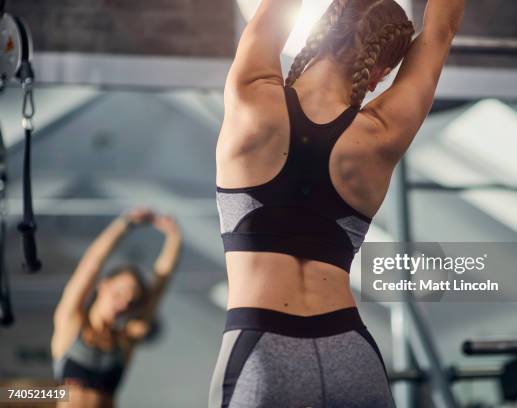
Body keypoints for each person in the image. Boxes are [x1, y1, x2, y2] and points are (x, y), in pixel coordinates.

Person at [211, 0, 464, 406]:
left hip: (263, 350)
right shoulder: (381, 134)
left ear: (318, 32)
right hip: (350, 352)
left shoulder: (251, 97)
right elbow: (439, 32)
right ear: (381, 73)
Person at [51, 209, 181, 408]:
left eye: (130, 302)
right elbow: (90, 265)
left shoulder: (125, 340)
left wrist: (174, 237)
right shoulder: (71, 321)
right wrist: (124, 224)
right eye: (118, 294)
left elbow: (159, 286)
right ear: (103, 285)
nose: (122, 305)